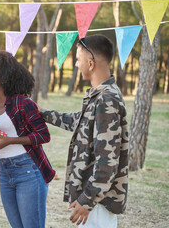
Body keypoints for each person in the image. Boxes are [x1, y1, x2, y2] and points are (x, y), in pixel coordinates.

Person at [41, 35, 129, 228]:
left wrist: (87, 199)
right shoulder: (98, 94)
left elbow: (108, 160)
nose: (76, 65)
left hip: (98, 201)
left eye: (78, 60)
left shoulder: (106, 100)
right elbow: (78, 122)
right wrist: (42, 114)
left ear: (90, 64)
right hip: (93, 196)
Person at [0, 51, 55, 228]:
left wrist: (10, 140)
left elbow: (43, 135)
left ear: (4, 79)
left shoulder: (22, 103)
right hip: (4, 171)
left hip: (28, 171)